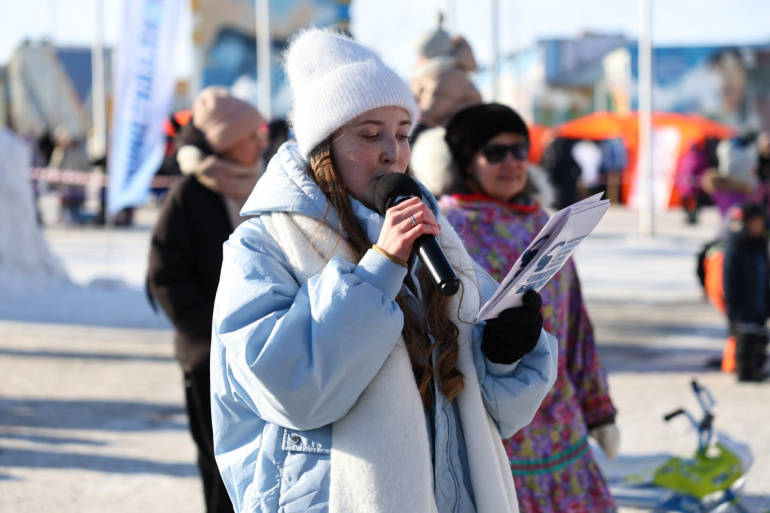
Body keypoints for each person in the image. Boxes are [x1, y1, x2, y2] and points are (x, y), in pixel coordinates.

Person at [209, 29, 558, 513]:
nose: (393, 152)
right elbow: (293, 391)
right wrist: (380, 270)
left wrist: (504, 352)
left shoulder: (434, 237)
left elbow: (491, 406)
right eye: (371, 135)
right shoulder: (262, 244)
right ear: (323, 147)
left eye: (403, 133)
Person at [416, 103, 619, 512]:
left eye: (519, 150)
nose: (510, 162)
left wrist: (599, 410)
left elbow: (576, 325)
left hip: (561, 427)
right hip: (494, 427)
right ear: (466, 162)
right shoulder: (446, 230)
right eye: (495, 152)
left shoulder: (544, 224)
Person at [147, 86, 267, 513]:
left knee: (261, 468)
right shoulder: (189, 195)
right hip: (208, 359)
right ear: (225, 139)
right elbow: (165, 276)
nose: (261, 142)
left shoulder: (264, 187)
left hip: (262, 354)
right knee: (220, 469)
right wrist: (216, 332)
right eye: (251, 135)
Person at [410, 13, 482, 135]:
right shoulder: (444, 72)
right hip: (455, 131)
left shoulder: (444, 76)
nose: (418, 61)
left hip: (456, 135)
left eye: (422, 56)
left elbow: (430, 110)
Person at [722, 202, 770, 382]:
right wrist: (732, 309)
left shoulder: (761, 247)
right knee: (745, 341)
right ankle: (744, 371)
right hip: (743, 307)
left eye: (760, 224)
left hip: (759, 305)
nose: (757, 228)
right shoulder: (736, 249)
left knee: (760, 339)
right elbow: (730, 282)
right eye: (753, 224)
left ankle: (757, 368)